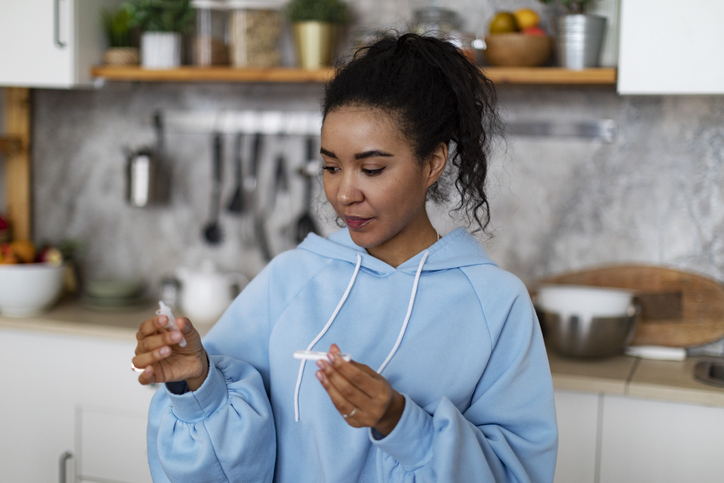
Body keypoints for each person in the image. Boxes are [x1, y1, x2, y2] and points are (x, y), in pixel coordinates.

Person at [133, 33, 558, 482]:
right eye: (331, 167)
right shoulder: (292, 277)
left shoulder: (497, 305)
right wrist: (196, 382)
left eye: (372, 169)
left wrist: (400, 422)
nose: (344, 193)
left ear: (433, 163)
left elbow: (516, 475)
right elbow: (224, 466)